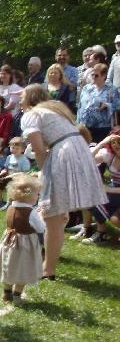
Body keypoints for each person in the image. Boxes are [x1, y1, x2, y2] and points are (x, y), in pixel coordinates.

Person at [20, 84, 107, 280]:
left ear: (31, 99)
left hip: (64, 154)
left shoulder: (32, 114)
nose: (19, 100)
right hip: (78, 150)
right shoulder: (55, 110)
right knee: (56, 215)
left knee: (53, 216)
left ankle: (48, 269)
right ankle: (48, 263)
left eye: (22, 97)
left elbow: (39, 149)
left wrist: (44, 170)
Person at [0, 174, 45, 305]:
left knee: (8, 266)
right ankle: (17, 296)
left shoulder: (11, 207)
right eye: (36, 194)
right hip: (25, 244)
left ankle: (6, 293)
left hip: (9, 242)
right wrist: (41, 216)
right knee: (23, 268)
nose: (38, 197)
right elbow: (40, 228)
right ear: (28, 196)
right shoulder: (31, 212)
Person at [82, 134, 120, 244]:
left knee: (97, 200)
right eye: (113, 143)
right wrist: (102, 143)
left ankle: (101, 233)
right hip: (114, 188)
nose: (116, 146)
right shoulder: (110, 155)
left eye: (118, 143)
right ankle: (100, 232)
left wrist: (107, 189)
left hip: (114, 190)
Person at [77, 63, 117, 143]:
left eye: (96, 75)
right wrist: (78, 123)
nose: (93, 77)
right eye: (92, 75)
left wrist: (107, 105)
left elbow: (118, 105)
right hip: (86, 126)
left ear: (104, 76)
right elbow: (80, 105)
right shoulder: (86, 88)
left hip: (103, 127)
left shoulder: (111, 89)